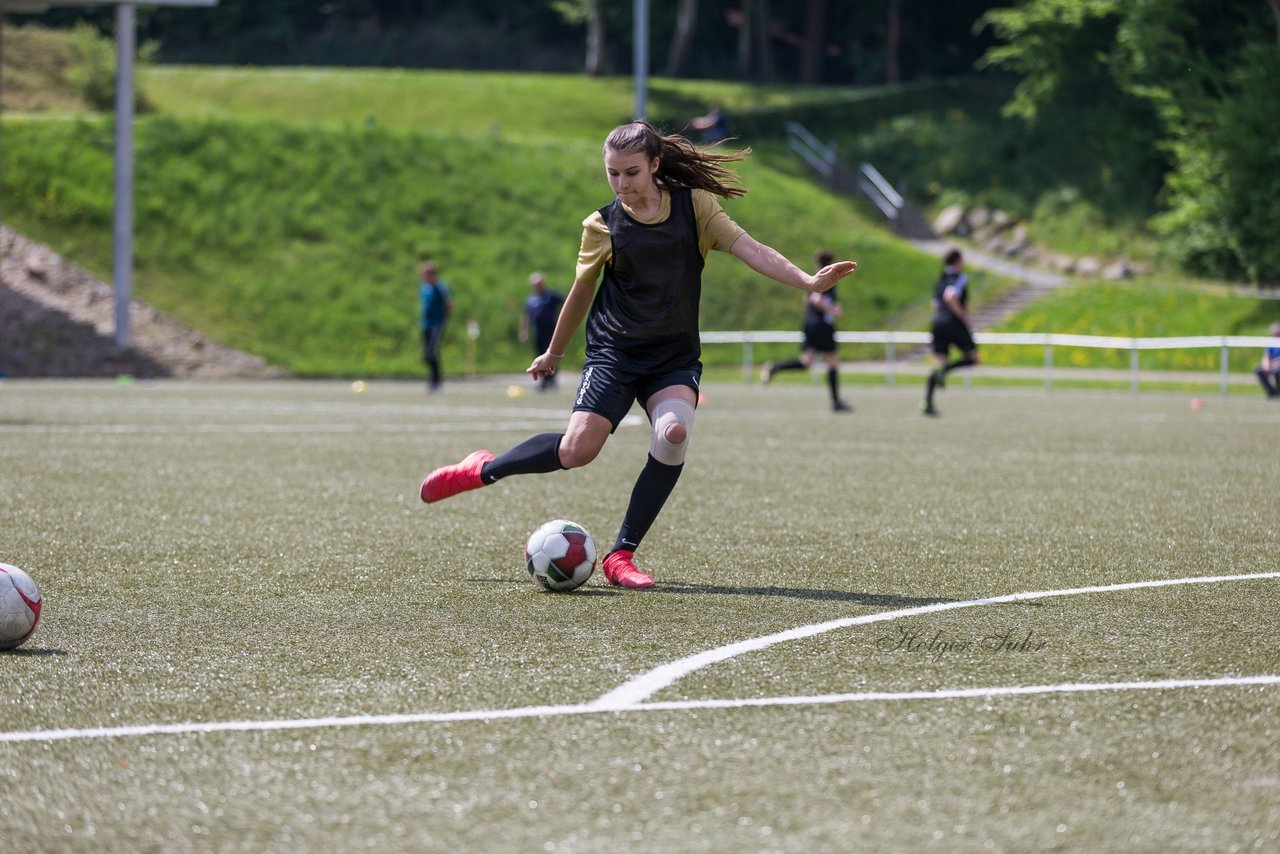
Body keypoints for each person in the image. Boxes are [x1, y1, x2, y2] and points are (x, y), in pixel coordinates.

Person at [420, 120, 857, 589]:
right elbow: (580, 292)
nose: (622, 184)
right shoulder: (602, 224)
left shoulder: (696, 207)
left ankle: (620, 555)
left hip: (672, 357)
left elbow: (751, 249)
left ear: (654, 165)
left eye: (631, 173)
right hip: (614, 353)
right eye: (612, 174)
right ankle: (482, 468)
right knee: (575, 451)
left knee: (673, 435)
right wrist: (553, 352)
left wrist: (807, 282)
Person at [760, 250, 852, 412]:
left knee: (806, 362)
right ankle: (836, 402)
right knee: (832, 361)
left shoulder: (815, 278)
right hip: (822, 325)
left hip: (809, 324)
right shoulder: (829, 279)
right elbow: (816, 299)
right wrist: (832, 310)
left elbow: (807, 298)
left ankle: (775, 368)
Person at [922, 248, 978, 416]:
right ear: (957, 261)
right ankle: (944, 373)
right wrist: (963, 316)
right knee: (973, 358)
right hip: (953, 322)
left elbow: (935, 304)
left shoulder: (940, 279)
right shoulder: (959, 277)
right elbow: (950, 296)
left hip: (937, 323)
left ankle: (927, 403)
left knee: (939, 363)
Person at [519, 272, 565, 391]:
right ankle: (544, 381)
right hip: (538, 333)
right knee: (539, 355)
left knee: (552, 354)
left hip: (552, 332)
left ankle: (552, 380)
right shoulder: (530, 299)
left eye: (539, 284)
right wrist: (524, 331)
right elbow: (526, 316)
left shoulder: (551, 296)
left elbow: (566, 304)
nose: (537, 286)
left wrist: (560, 319)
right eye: (535, 284)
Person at [418, 262, 453, 392]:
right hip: (425, 324)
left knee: (432, 353)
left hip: (437, 324)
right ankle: (433, 379)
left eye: (425, 274)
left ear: (432, 274)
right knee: (426, 355)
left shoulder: (441, 287)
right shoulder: (423, 287)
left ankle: (436, 381)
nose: (422, 276)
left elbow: (449, 304)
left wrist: (444, 320)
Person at [1255, 322, 1280, 399]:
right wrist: (1266, 365)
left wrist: (1274, 364)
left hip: (1278, 365)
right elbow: (1266, 355)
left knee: (1277, 371)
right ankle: (1271, 391)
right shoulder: (1271, 341)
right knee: (1258, 369)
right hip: (1273, 364)